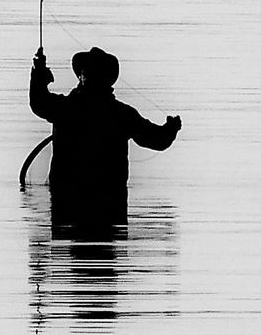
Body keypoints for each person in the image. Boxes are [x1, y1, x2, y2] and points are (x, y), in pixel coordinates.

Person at [30, 45, 180, 229]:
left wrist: (38, 73)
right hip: (110, 205)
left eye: (90, 72)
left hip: (68, 202)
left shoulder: (66, 109)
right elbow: (158, 139)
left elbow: (39, 101)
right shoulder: (120, 114)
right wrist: (171, 129)